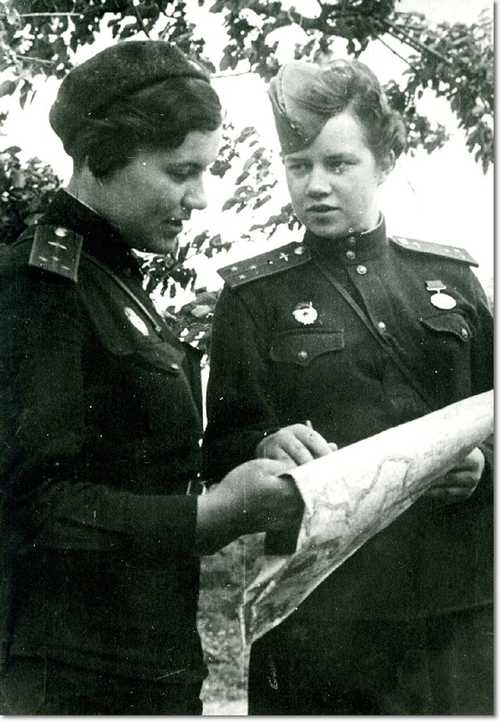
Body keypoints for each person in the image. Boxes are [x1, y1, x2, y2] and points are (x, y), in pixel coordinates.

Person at [0, 41, 304, 715]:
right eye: (180, 171)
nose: (199, 198)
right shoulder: (39, 284)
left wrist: (257, 454)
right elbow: (33, 508)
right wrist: (222, 513)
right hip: (72, 679)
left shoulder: (115, 280)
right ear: (103, 154)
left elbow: (144, 459)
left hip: (145, 664)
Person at [203, 58, 493, 715]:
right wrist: (266, 445)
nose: (316, 185)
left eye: (339, 164)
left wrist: (485, 466)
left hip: (455, 616)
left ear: (382, 161)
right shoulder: (254, 297)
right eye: (297, 164)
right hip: (322, 618)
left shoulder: (452, 280)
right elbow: (219, 451)